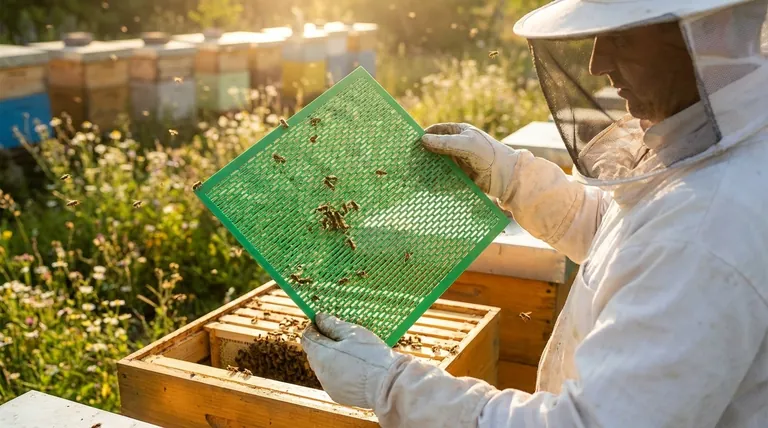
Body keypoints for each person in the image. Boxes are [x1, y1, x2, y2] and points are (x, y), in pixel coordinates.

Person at [301, 0, 768, 426]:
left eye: (622, 37)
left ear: (716, 31)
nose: (597, 62)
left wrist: (393, 386)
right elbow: (619, 235)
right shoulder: (708, 145)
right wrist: (511, 176)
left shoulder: (708, 228)